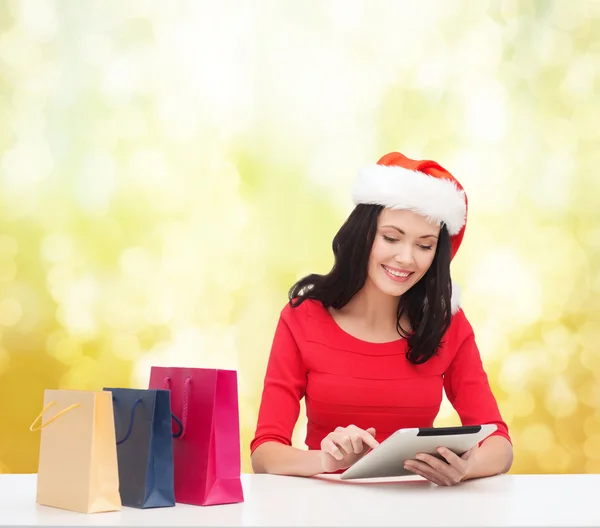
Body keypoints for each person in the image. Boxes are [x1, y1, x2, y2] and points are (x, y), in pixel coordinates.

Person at [250, 152, 513, 486]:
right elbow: (265, 453)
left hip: (416, 508)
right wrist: (328, 461)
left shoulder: (447, 323)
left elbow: (499, 444)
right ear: (364, 235)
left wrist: (465, 467)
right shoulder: (303, 318)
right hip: (324, 506)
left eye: (424, 245)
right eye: (391, 238)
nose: (405, 258)